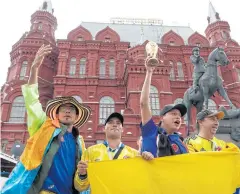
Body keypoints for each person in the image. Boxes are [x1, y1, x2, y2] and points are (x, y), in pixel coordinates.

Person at [2, 44, 91, 194]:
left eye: (71, 110)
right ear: (56, 114)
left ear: (77, 117)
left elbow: (83, 173)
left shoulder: (79, 142)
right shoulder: (44, 126)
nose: (67, 111)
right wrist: (34, 69)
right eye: (63, 108)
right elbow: (32, 101)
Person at [74, 112, 139, 192]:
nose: (114, 125)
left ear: (122, 129)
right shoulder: (90, 152)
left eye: (118, 123)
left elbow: (141, 182)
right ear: (103, 128)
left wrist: (148, 161)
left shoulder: (134, 154)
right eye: (110, 122)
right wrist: (82, 175)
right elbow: (80, 187)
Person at [140, 60, 188, 160]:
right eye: (173, 113)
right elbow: (143, 104)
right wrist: (149, 72)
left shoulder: (181, 143)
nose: (178, 117)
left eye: (179, 116)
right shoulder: (151, 131)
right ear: (162, 117)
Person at [184, 109, 240, 194]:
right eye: (212, 119)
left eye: (217, 119)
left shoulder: (223, 144)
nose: (217, 123)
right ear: (200, 122)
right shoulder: (190, 142)